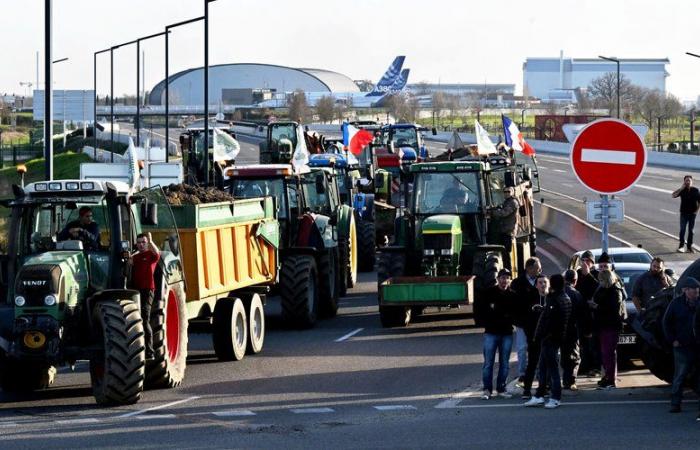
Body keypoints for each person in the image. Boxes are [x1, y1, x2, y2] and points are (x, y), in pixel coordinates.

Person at [524, 274, 572, 409]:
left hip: (550, 339)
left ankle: (555, 397)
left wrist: (543, 334)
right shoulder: (564, 298)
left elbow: (551, 320)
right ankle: (539, 396)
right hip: (553, 338)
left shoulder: (555, 299)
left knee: (552, 370)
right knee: (544, 368)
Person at [474, 268, 516, 400]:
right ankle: (487, 389)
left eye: (507, 278)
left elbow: (517, 312)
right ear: (498, 279)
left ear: (510, 280)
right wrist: (483, 323)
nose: (505, 280)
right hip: (491, 333)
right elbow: (479, 310)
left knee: (504, 363)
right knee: (488, 363)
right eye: (502, 278)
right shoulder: (488, 293)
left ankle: (501, 388)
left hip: (507, 333)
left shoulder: (513, 295)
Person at [662, 276, 700, 415]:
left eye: (698, 291)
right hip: (682, 346)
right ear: (686, 290)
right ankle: (675, 403)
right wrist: (672, 340)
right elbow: (666, 323)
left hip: (697, 345)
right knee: (680, 375)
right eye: (694, 291)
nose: (696, 293)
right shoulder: (676, 304)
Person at [510, 257, 542, 388]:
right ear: (529, 269)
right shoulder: (517, 283)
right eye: (537, 268)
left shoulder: (542, 281)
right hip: (522, 323)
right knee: (522, 348)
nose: (540, 270)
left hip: (539, 323)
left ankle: (540, 373)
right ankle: (522, 374)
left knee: (539, 349)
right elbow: (513, 304)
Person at [590, 269, 625, 389]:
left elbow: (613, 310)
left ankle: (610, 379)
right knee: (605, 353)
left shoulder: (615, 291)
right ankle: (608, 377)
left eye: (601, 280)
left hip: (610, 326)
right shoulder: (605, 289)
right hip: (603, 325)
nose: (599, 282)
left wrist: (597, 306)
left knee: (608, 353)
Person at [130, 232, 161, 359]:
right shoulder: (136, 257)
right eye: (139, 243)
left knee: (144, 317)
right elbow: (129, 262)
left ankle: (150, 351)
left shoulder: (151, 256)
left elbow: (157, 252)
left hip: (148, 290)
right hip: (136, 290)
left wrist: (151, 240)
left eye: (144, 242)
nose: (141, 245)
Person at [519, 272, 549, 399]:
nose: (542, 285)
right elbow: (525, 319)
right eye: (540, 283)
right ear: (536, 285)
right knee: (532, 363)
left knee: (546, 364)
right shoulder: (530, 298)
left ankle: (545, 387)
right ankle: (527, 389)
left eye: (545, 282)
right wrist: (531, 335)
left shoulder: (551, 298)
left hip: (548, 338)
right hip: (534, 337)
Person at [562, 269, 592, 391]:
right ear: (575, 280)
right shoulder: (576, 294)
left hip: (558, 329)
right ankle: (570, 381)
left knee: (563, 355)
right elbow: (583, 314)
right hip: (573, 329)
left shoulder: (557, 292)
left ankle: (564, 380)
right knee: (574, 356)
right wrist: (587, 330)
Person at [671, 175, 700, 253]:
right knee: (682, 230)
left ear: (692, 181)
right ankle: (681, 246)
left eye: (689, 180)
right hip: (683, 214)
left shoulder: (696, 190)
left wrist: (696, 211)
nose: (688, 182)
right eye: (686, 180)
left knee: (691, 231)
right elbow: (673, 195)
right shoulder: (682, 190)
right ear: (684, 182)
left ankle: (689, 247)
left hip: (693, 214)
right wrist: (681, 188)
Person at [489, 187, 521, 257]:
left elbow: (504, 213)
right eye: (505, 192)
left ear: (512, 192)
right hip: (504, 231)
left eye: (508, 192)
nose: (506, 193)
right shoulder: (507, 201)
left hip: (508, 232)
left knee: (506, 254)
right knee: (502, 253)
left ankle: (507, 268)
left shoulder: (513, 202)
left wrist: (492, 212)